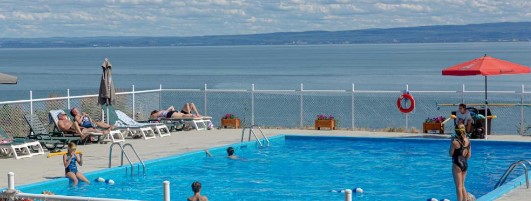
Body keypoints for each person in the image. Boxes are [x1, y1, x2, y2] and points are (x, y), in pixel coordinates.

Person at [450, 124, 471, 201]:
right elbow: (469, 156)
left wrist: (451, 141)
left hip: (457, 164)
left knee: (458, 186)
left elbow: (450, 154)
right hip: (465, 164)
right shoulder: (468, 141)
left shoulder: (455, 142)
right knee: (462, 185)